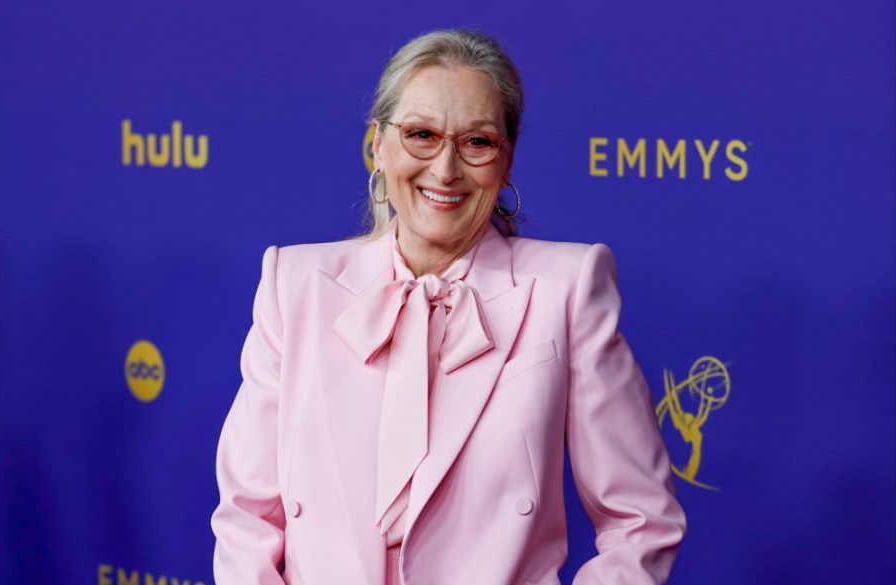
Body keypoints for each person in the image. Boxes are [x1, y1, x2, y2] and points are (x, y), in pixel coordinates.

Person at [211, 29, 686, 585]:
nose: (445, 169)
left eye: (477, 142)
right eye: (421, 135)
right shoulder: (294, 284)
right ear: (378, 145)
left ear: (506, 160)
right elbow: (248, 514)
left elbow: (642, 520)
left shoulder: (568, 289)